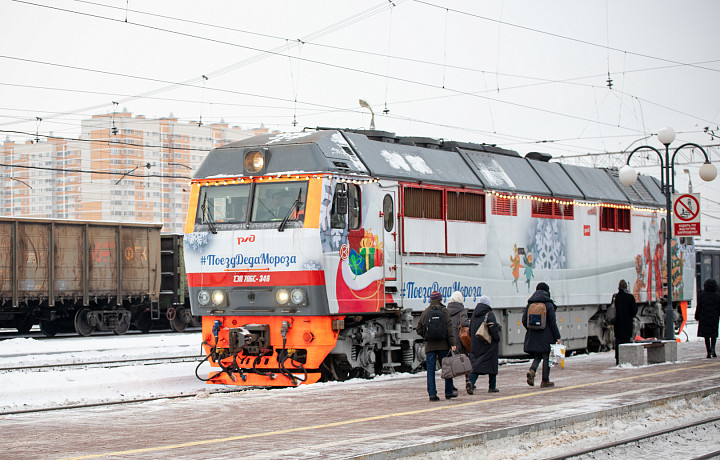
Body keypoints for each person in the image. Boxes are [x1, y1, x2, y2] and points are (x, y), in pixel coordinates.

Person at [416, 290, 456, 401]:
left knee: (430, 371)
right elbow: (449, 328)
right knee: (447, 369)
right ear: (440, 299)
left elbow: (418, 329)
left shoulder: (426, 312)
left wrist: (427, 336)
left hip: (430, 347)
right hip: (444, 345)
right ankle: (448, 392)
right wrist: (452, 343)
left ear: (431, 299)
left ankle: (432, 394)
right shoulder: (444, 311)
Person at [522, 282, 562, 388]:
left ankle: (532, 370)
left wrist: (531, 329)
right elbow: (553, 323)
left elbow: (524, 320)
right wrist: (557, 337)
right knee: (546, 357)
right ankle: (545, 381)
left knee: (537, 356)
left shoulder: (530, 304)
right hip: (546, 336)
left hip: (533, 335)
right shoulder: (548, 304)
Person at [467, 295, 501, 394]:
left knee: (477, 364)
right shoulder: (489, 314)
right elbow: (493, 329)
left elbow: (470, 331)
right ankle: (492, 387)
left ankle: (471, 381)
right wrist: (497, 339)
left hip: (476, 343)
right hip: (488, 343)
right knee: (492, 364)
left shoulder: (474, 315)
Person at [447, 291, 470, 394]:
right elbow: (465, 323)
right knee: (466, 361)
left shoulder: (446, 311)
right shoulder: (462, 311)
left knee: (451, 363)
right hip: (460, 341)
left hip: (450, 341)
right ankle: (468, 381)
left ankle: (451, 385)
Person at [613, 279, 638, 365]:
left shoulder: (615, 298)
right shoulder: (630, 297)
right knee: (627, 341)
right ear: (626, 287)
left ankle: (618, 360)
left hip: (618, 325)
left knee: (618, 342)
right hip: (627, 325)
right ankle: (627, 360)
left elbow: (613, 311)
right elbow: (634, 311)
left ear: (618, 287)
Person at [696, 279, 720, 358]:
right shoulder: (717, 295)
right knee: (713, 334)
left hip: (704, 317)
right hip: (714, 317)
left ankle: (708, 351)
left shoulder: (702, 295)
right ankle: (713, 349)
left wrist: (697, 316)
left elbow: (698, 307)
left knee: (706, 335)